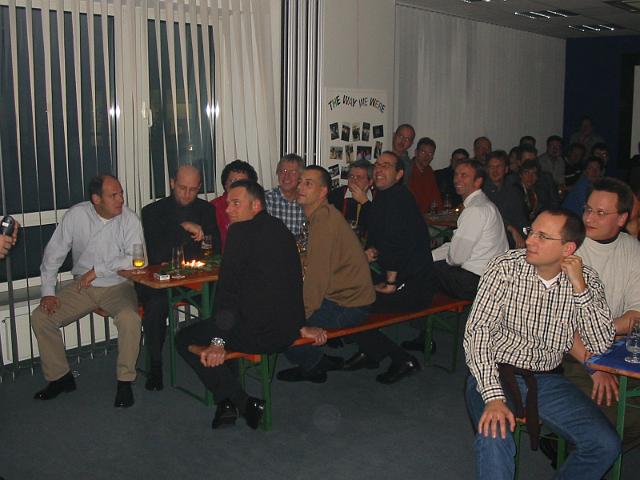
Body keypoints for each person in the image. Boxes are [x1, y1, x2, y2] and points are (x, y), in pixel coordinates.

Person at [464, 209, 619, 480]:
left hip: (547, 379)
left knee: (604, 444)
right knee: (495, 435)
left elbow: (600, 344)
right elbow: (478, 333)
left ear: (567, 248)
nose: (529, 240)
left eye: (542, 236)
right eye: (531, 231)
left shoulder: (587, 280)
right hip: (495, 371)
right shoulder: (505, 267)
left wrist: (580, 288)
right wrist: (493, 397)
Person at [175, 180, 304, 430]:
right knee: (224, 325)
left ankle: (240, 402)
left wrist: (218, 342)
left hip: (260, 334)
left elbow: (227, 293)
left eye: (236, 203)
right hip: (288, 330)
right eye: (228, 204)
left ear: (256, 205)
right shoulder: (280, 228)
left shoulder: (239, 232)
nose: (228, 210)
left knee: (184, 338)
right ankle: (229, 404)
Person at [31, 175, 144, 408]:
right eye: (114, 195)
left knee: (129, 318)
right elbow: (53, 254)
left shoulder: (129, 219)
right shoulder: (76, 216)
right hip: (83, 286)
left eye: (121, 193)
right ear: (96, 199)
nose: (121, 199)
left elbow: (137, 259)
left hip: (117, 286)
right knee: (41, 317)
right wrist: (48, 292)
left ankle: (125, 381)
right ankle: (61, 378)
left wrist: (98, 270)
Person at [561, 178, 640, 452]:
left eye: (601, 213)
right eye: (588, 209)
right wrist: (594, 366)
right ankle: (582, 451)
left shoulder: (631, 248)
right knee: (619, 418)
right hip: (571, 352)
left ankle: (585, 451)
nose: (589, 218)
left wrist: (600, 331)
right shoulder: (570, 248)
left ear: (622, 219)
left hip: (613, 347)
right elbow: (561, 325)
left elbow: (635, 315)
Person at [277, 166, 375, 383]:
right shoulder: (322, 214)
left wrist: (300, 319)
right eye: (300, 182)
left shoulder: (324, 221)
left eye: (308, 184)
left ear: (322, 191)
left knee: (281, 324)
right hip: (340, 297)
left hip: (349, 306)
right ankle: (317, 359)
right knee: (282, 309)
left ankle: (314, 364)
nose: (300, 187)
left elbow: (316, 279)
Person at [343, 151, 432, 384]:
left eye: (387, 165)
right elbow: (378, 231)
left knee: (350, 305)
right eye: (378, 164)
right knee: (344, 290)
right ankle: (370, 351)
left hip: (411, 286)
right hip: (402, 277)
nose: (379, 169)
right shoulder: (386, 196)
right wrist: (372, 250)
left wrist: (390, 283)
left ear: (399, 174)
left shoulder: (398, 198)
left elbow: (395, 241)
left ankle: (402, 359)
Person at [138, 165, 221, 391]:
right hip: (164, 280)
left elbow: (214, 250)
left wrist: (193, 241)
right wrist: (185, 228)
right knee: (155, 303)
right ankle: (155, 364)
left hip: (196, 278)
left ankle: (218, 351)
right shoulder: (152, 211)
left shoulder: (206, 209)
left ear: (199, 187)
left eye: (193, 190)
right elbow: (158, 255)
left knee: (222, 295)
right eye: (182, 188)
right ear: (172, 183)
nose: (187, 194)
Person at [431, 159, 508, 300]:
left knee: (423, 269)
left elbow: (456, 258)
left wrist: (428, 260)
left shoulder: (475, 210)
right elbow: (457, 246)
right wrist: (430, 256)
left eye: (464, 175)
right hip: (491, 277)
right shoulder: (484, 203)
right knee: (428, 262)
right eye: (456, 174)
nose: (457, 179)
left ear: (478, 181)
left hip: (477, 281)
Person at [482, 151, 528, 249]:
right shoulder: (481, 191)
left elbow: (521, 218)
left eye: (499, 166)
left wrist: (526, 236)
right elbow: (491, 217)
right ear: (487, 170)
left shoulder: (513, 190)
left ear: (506, 169)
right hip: (492, 241)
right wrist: (512, 229)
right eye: (491, 167)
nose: (495, 170)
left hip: (514, 240)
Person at [210, 160, 257, 251]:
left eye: (242, 182)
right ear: (225, 184)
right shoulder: (213, 207)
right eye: (233, 181)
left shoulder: (256, 206)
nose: (237, 186)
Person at [328, 159, 374, 238]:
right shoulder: (336, 195)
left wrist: (365, 202)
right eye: (351, 176)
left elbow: (377, 226)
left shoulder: (377, 197)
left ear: (370, 182)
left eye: (359, 177)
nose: (354, 181)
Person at [265, 153, 305, 236]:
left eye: (293, 172)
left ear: (301, 176)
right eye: (283, 171)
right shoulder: (266, 200)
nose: (287, 176)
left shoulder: (307, 202)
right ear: (277, 173)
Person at [408, 137, 442, 213]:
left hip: (428, 216)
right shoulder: (408, 170)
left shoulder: (429, 171)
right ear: (416, 152)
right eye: (423, 152)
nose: (426, 157)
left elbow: (435, 197)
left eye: (430, 153)